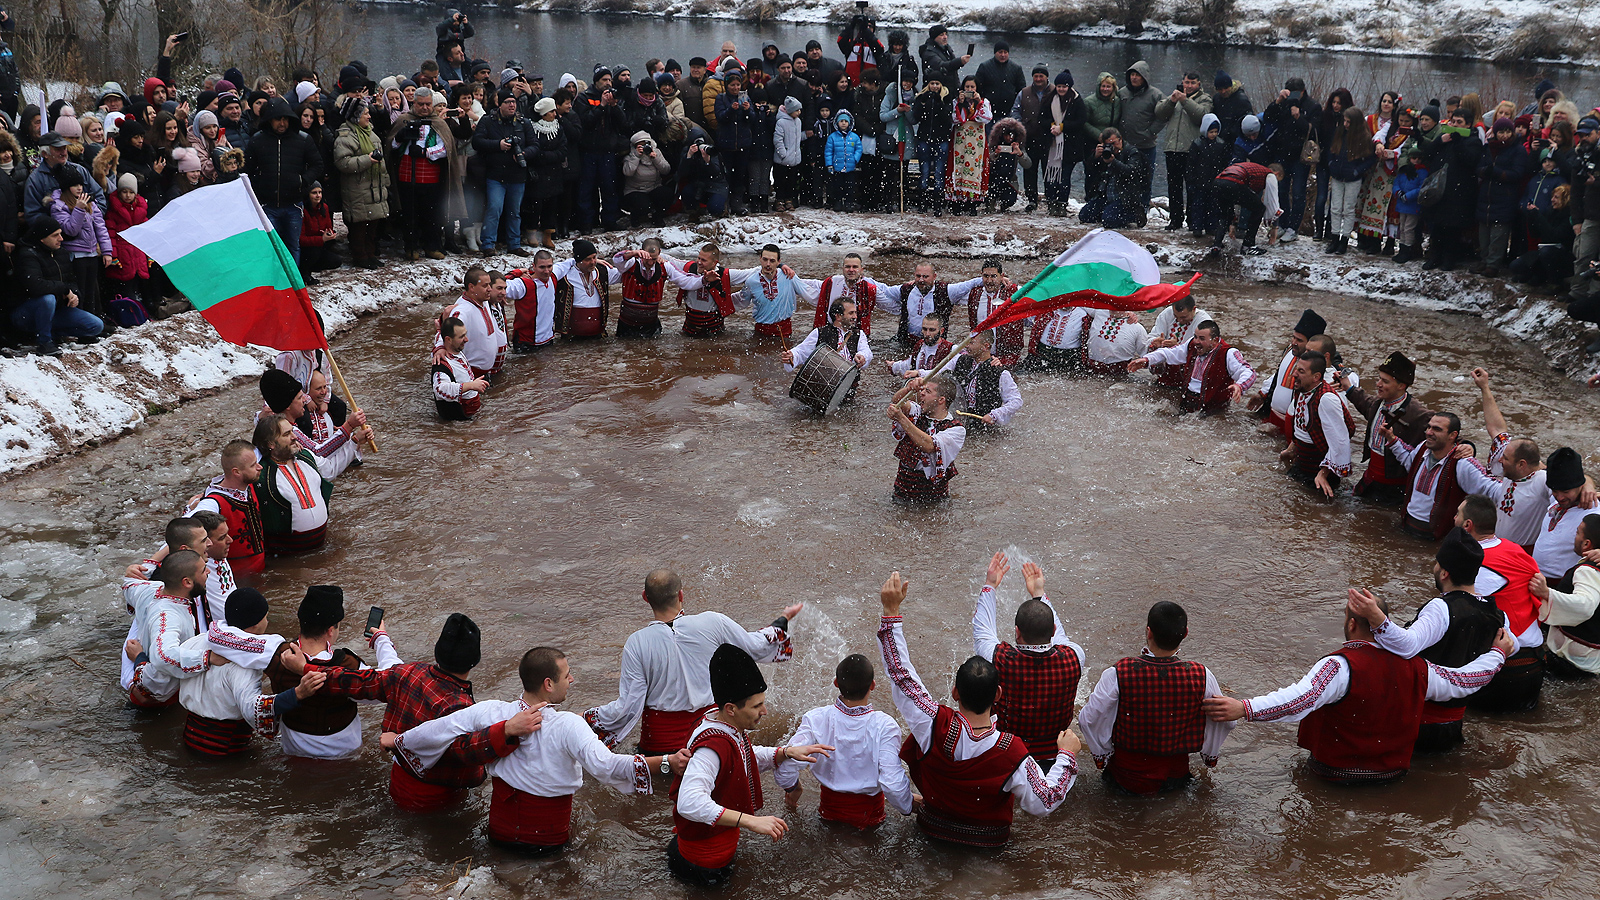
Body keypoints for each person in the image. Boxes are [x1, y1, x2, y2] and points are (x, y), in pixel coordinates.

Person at [385, 646, 684, 854]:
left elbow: (437, 730)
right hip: (549, 842)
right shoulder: (569, 725)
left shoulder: (491, 711)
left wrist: (399, 741)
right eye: (567, 675)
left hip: (498, 836)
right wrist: (667, 762)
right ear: (548, 684)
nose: (572, 680)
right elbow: (608, 767)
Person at [1203, 597, 1510, 784]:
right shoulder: (1419, 668)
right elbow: (1463, 681)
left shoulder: (1339, 666)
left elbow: (1301, 700)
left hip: (1334, 775)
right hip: (1391, 777)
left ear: (1351, 625)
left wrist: (1244, 708)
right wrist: (1497, 654)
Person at [877, 571, 1078, 848]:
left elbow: (901, 675)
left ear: (955, 692)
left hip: (931, 836)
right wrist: (1067, 755)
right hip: (990, 848)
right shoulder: (1013, 751)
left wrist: (891, 612)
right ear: (998, 695)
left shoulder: (934, 724)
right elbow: (1044, 801)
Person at [666, 643, 832, 887]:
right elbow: (689, 803)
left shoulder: (717, 720)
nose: (765, 711)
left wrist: (785, 752)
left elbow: (740, 756)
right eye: (756, 706)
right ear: (731, 709)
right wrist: (751, 821)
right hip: (703, 867)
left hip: (704, 848)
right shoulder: (710, 751)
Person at [584, 568, 800, 755]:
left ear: (645, 597)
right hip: (710, 735)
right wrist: (782, 620)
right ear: (681, 595)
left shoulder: (636, 643)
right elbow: (756, 646)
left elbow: (628, 707)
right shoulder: (713, 622)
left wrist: (585, 719)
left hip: (659, 746)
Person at [1345, 528, 1508, 754]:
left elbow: (1407, 645)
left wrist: (1376, 617)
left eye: (1436, 564)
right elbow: (1511, 645)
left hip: (1415, 724)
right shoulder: (1497, 613)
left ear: (1444, 573)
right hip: (1454, 725)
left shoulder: (1441, 608)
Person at [1079, 601, 1235, 795]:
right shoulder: (1201, 675)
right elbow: (1226, 721)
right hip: (1176, 778)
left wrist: (1101, 755)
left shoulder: (1118, 672)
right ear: (1185, 633)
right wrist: (1209, 756)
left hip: (1124, 778)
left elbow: (1088, 719)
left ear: (1148, 632)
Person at [175, 590, 327, 756]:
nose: (267, 621)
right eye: (266, 617)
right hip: (225, 748)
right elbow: (253, 709)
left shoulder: (195, 642)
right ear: (256, 624)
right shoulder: (244, 665)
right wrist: (297, 694)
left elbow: (167, 671)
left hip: (188, 738)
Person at [774, 653, 913, 829]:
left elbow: (786, 763)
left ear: (836, 683)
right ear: (873, 685)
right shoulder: (885, 725)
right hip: (872, 823)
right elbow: (892, 784)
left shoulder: (816, 718)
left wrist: (793, 788)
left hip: (826, 819)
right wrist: (908, 805)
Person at [972, 552, 1084, 766]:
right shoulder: (1074, 656)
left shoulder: (999, 659)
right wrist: (1039, 594)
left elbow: (982, 630)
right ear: (1052, 631)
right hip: (1056, 756)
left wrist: (990, 585)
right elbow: (1060, 636)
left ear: (1016, 632)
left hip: (1009, 755)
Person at [1453, 495, 1546, 710]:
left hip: (1508, 670)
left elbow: (1459, 618)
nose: (1453, 517)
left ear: (1468, 525)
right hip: (1536, 663)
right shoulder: (1514, 549)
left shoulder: (1476, 566)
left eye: (1457, 514)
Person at [1375, 412, 1488, 540]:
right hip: (1407, 523)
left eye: (1437, 429)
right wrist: (1391, 438)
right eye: (1429, 427)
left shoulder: (1463, 463)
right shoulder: (1423, 447)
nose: (1429, 432)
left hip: (1437, 535)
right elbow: (1409, 461)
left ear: (1452, 435)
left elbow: (1489, 488)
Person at [122, 548, 209, 708]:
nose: (208, 572)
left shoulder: (148, 588)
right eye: (203, 570)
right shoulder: (169, 616)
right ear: (187, 582)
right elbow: (163, 656)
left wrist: (132, 571)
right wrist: (207, 659)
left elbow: (129, 585)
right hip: (155, 700)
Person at [1341, 352, 1432, 502]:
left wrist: (1466, 446)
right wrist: (1348, 388)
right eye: (1379, 379)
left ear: (1402, 385)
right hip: (1370, 480)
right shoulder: (1378, 403)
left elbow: (1446, 432)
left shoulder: (1418, 414)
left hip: (1393, 491)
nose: (1378, 384)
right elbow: (1364, 402)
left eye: (1385, 381)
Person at [9, 217, 104, 355]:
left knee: (96, 325)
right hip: (26, 313)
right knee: (47, 299)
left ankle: (48, 332)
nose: (61, 238)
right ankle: (44, 343)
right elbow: (35, 286)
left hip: (56, 311)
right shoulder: (27, 254)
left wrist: (74, 295)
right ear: (42, 238)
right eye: (55, 235)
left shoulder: (61, 253)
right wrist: (64, 289)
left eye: (60, 233)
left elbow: (72, 281)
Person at [243, 97, 321, 265]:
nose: (282, 123)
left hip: (293, 203)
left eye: (285, 119)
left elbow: (317, 165)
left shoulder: (303, 140)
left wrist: (303, 180)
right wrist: (259, 184)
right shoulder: (258, 140)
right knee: (272, 248)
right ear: (270, 119)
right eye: (278, 119)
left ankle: (293, 285)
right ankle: (276, 284)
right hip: (267, 204)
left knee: (293, 246)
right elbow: (247, 169)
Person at [1127, 319, 1256, 415]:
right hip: (1187, 401)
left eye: (1202, 338)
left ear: (1215, 340)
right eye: (1195, 337)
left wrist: (1239, 385)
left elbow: (1249, 372)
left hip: (1213, 410)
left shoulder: (1228, 353)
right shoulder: (1191, 345)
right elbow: (1168, 353)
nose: (1197, 342)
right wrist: (1147, 359)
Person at [1531, 514, 1600, 677]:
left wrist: (1546, 593)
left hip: (1576, 662)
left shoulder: (1587, 571)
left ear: (1586, 543)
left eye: (1577, 532)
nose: (1573, 537)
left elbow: (1585, 605)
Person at [253, 413, 332, 555]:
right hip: (286, 557)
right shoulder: (258, 472)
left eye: (292, 432)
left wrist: (354, 443)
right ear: (271, 443)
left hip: (322, 549)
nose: (295, 437)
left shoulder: (305, 457)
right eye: (287, 434)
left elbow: (332, 468)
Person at [186, 440, 266, 576]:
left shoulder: (246, 478)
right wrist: (152, 562)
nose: (260, 467)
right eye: (253, 465)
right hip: (236, 577)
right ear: (236, 472)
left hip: (260, 569)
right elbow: (185, 529)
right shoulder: (213, 502)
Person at [473, 89, 536, 257]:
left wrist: (524, 154)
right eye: (508, 102)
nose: (512, 105)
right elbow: (477, 142)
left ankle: (514, 244)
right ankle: (488, 244)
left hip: (517, 175)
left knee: (514, 211)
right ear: (499, 104)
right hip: (496, 174)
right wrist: (497, 145)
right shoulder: (488, 121)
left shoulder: (524, 123)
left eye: (514, 102)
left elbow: (535, 145)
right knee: (494, 209)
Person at [1283, 350, 1353, 498]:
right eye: (1296, 369)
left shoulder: (1327, 399)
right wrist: (1291, 449)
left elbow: (1340, 442)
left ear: (1316, 377)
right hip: (1302, 466)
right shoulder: (1302, 388)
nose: (1294, 374)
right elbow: (1304, 428)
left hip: (1320, 478)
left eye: (1301, 371)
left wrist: (1323, 474)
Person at [886, 374, 965, 502]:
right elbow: (897, 403)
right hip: (902, 494)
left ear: (941, 400)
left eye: (927, 391)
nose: (921, 393)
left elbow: (929, 446)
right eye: (922, 390)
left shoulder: (956, 429)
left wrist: (901, 418)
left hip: (934, 499)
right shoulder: (918, 412)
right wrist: (909, 389)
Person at [1247, 308, 1324, 436]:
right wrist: (1262, 394)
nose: (1294, 343)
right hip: (1271, 419)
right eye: (1293, 337)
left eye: (1299, 340)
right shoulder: (1289, 350)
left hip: (1293, 428)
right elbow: (1279, 374)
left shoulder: (1318, 365)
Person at [332, 98, 388, 270]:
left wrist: (386, 183)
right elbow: (343, 162)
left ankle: (370, 254)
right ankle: (360, 256)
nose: (369, 117)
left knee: (372, 226)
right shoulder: (345, 137)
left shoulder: (371, 134)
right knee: (359, 227)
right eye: (366, 113)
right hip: (357, 189)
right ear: (356, 116)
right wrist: (367, 159)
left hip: (375, 187)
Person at [874, 261, 982, 348]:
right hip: (907, 342)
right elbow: (885, 290)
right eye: (918, 276)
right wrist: (863, 279)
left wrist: (994, 279)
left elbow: (970, 284)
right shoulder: (906, 289)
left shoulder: (946, 291)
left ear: (934, 276)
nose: (921, 280)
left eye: (925, 276)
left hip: (935, 343)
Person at [1153, 72, 1212, 232]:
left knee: (1192, 187)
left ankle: (1193, 219)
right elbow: (1159, 113)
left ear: (1199, 84)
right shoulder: (1175, 98)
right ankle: (1176, 219)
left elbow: (1202, 116)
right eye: (1187, 82)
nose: (1189, 85)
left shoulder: (1205, 99)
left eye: (1193, 83)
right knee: (1174, 186)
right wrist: (1172, 101)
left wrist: (1184, 100)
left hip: (1192, 150)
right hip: (1172, 148)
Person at [662, 242, 756, 337]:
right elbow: (669, 260)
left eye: (704, 260)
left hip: (714, 331)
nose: (699, 262)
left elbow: (750, 273)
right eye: (699, 258)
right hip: (689, 328)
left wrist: (768, 267)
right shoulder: (689, 268)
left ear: (714, 262)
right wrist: (654, 255)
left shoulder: (725, 275)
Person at [1532, 448, 1600, 577]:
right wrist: (1588, 482)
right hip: (1536, 576)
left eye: (1566, 492)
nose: (1560, 497)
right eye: (1555, 491)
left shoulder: (1594, 513)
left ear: (1580, 485)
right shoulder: (1559, 499)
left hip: (1564, 585)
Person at [784, 299, 873, 387]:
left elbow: (866, 351)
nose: (855, 317)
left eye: (855, 313)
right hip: (824, 385)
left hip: (850, 386)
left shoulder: (858, 334)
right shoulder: (820, 332)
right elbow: (801, 351)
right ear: (838, 316)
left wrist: (862, 356)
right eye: (851, 313)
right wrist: (791, 356)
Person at [439, 267, 507, 378]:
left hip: (487, 372)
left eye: (490, 285)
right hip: (472, 376)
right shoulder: (462, 311)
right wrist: (439, 348)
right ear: (472, 287)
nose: (490, 289)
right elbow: (447, 335)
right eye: (485, 286)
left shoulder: (483, 300)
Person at [739, 243, 813, 343]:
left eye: (772, 261)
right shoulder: (751, 281)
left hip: (784, 330)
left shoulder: (788, 276)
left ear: (778, 262)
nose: (768, 264)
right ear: (760, 259)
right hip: (761, 330)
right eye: (765, 259)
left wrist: (830, 291)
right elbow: (741, 300)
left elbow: (808, 292)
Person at [949, 330, 1022, 428]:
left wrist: (994, 415)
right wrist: (921, 374)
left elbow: (1016, 401)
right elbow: (936, 373)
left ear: (985, 346)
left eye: (971, 342)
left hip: (983, 426)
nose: (966, 345)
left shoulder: (1000, 372)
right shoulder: (959, 360)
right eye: (966, 341)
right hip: (957, 421)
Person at [553, 239, 622, 339]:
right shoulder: (565, 275)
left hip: (598, 335)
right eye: (588, 259)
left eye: (594, 257)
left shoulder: (603, 271)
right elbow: (544, 276)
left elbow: (626, 273)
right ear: (578, 260)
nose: (593, 262)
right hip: (572, 337)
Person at [1209, 160, 1282, 255]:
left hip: (1218, 182)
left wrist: (1233, 222)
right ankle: (1248, 245)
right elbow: (1273, 203)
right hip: (1234, 182)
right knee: (1259, 209)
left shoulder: (1255, 171)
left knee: (1225, 214)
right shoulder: (1270, 175)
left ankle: (1216, 245)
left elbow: (1240, 200)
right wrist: (1274, 227)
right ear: (1277, 174)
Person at [1080, 127, 1148, 228]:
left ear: (1120, 139)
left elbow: (1130, 172)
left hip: (1124, 198)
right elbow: (1091, 172)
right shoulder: (1104, 154)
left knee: (1109, 221)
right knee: (1084, 216)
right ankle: (1108, 213)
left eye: (1114, 143)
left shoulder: (1131, 152)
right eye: (1108, 144)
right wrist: (1095, 157)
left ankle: (1134, 215)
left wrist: (1113, 162)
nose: (1112, 147)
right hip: (1105, 196)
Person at [1040, 71, 1086, 217]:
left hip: (1069, 146)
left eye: (1064, 87)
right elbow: (1041, 119)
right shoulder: (1049, 99)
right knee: (1050, 177)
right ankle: (1051, 203)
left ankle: (1062, 204)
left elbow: (1080, 122)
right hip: (1051, 145)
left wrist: (1063, 127)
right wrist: (1052, 125)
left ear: (1069, 87)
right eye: (1059, 86)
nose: (1061, 89)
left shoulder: (1077, 100)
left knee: (1064, 177)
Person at [945, 76, 992, 215]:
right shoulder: (956, 102)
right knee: (958, 168)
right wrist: (960, 104)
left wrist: (979, 102)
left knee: (975, 169)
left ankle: (972, 203)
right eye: (967, 87)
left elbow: (987, 118)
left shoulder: (984, 102)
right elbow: (955, 119)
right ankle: (957, 202)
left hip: (977, 140)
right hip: (960, 139)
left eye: (972, 87)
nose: (970, 90)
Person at [966, 259, 1026, 365]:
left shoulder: (1015, 293)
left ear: (1001, 276)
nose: (989, 281)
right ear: (981, 276)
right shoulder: (975, 294)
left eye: (993, 276)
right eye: (986, 276)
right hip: (981, 355)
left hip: (1009, 358)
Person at [612, 238, 671, 338]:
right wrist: (632, 253)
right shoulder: (630, 264)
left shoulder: (665, 266)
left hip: (651, 327)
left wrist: (703, 280)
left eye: (654, 259)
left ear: (659, 253)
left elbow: (684, 279)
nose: (650, 263)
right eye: (647, 258)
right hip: (627, 326)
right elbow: (617, 260)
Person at [433, 316, 487, 420]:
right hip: (460, 419)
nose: (466, 339)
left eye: (465, 334)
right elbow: (439, 390)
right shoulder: (441, 364)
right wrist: (471, 385)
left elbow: (439, 338)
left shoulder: (452, 347)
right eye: (462, 336)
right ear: (448, 339)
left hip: (471, 412)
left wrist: (439, 329)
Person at [621, 132, 672, 227]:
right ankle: (636, 216)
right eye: (641, 146)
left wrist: (655, 159)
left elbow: (666, 170)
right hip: (635, 190)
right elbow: (628, 172)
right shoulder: (630, 156)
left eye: (646, 145)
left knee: (666, 194)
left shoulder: (656, 152)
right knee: (643, 205)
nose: (644, 148)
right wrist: (636, 157)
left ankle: (657, 216)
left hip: (654, 188)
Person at [888, 313, 952, 379]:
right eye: (924, 329)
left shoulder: (951, 349)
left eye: (932, 330)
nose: (927, 334)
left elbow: (945, 372)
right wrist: (893, 366)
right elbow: (908, 364)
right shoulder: (920, 345)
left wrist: (920, 373)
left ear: (941, 331)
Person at [917, 25, 967, 92]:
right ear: (934, 37)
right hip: (938, 91)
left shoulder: (946, 48)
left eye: (946, 34)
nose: (945, 37)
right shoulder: (928, 52)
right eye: (941, 35)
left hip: (951, 89)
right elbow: (941, 66)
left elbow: (952, 69)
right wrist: (960, 61)